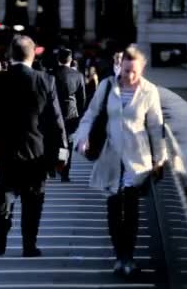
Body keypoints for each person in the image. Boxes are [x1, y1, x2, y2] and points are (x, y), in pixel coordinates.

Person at [74, 45, 167, 277]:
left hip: (138, 160)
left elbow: (156, 128)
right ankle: (119, 257)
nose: (130, 76)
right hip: (111, 157)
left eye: (134, 71)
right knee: (114, 209)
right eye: (126, 71)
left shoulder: (150, 91)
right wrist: (82, 136)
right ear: (120, 67)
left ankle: (129, 258)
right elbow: (91, 114)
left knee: (132, 210)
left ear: (142, 69)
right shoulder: (107, 86)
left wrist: (160, 158)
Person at [0, 36, 68, 258]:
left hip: (5, 148)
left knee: (5, 191)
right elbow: (56, 121)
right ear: (33, 54)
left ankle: (1, 233)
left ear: (11, 54)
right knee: (34, 198)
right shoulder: (45, 80)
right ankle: (29, 245)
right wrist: (62, 152)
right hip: (36, 152)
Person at [54, 48, 86, 182]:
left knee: (54, 141)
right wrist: (80, 114)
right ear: (71, 60)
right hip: (71, 114)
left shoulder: (51, 74)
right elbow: (82, 98)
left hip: (54, 113)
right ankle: (65, 172)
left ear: (58, 60)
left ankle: (53, 168)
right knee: (67, 143)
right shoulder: (78, 75)